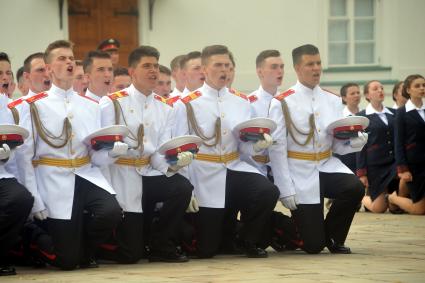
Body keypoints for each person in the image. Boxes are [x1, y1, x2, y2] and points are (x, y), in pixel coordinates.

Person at [17, 40, 122, 270]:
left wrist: (113, 153)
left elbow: (95, 155)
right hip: (53, 178)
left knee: (111, 211)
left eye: (71, 58)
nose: (68, 62)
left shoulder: (89, 106)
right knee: (65, 263)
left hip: (85, 174)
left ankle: (82, 250)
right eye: (61, 58)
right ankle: (31, 238)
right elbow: (25, 156)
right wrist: (34, 198)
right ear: (48, 68)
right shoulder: (34, 106)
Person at [174, 45, 279, 258]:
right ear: (204, 69)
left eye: (228, 66)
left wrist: (256, 146)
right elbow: (180, 149)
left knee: (267, 191)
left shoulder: (241, 101)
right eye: (218, 65)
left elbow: (243, 144)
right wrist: (188, 189)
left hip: (233, 165)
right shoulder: (186, 105)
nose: (224, 70)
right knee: (207, 250)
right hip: (203, 171)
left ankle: (248, 240)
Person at [97, 45, 193, 263]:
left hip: (148, 174)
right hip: (121, 175)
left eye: (156, 66)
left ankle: (161, 244)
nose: (153, 71)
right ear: (132, 72)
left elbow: (158, 151)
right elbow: (100, 152)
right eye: (146, 66)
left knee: (181, 187)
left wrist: (173, 165)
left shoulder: (165, 108)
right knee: (131, 256)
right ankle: (98, 247)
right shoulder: (112, 103)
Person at [268, 44, 366, 254]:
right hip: (299, 170)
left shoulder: (331, 100)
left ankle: (332, 237)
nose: (316, 68)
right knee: (312, 246)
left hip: (326, 164)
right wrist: (285, 188)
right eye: (310, 64)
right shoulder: (282, 102)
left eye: (318, 63)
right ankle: (274, 224)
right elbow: (277, 150)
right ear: (297, 68)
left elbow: (336, 143)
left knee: (355, 187)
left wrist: (353, 143)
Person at [0, 52, 34, 276]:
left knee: (21, 198)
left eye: (8, 73)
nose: (5, 78)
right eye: (0, 73)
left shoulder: (7, 104)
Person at [356, 80, 397, 213]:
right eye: (375, 89)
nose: (380, 90)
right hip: (375, 166)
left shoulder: (394, 113)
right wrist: (362, 173)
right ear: (367, 95)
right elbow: (360, 146)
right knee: (378, 209)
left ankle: (393, 199)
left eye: (381, 88)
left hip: (394, 163)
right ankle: (360, 197)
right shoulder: (361, 117)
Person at [389, 74, 425, 214]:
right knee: (420, 210)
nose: (422, 88)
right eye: (417, 86)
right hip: (414, 165)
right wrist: (402, 169)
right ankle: (392, 198)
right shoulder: (401, 113)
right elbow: (398, 142)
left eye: (423, 85)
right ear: (408, 90)